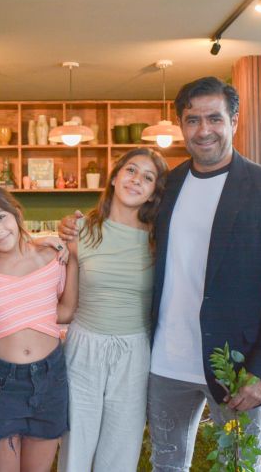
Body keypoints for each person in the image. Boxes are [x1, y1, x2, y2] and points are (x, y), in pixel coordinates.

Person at [145, 77, 261, 471]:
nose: (204, 130)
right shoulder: (166, 187)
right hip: (165, 363)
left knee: (238, 467)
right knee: (165, 466)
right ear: (181, 125)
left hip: (238, 368)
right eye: (193, 120)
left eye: (214, 118)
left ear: (234, 120)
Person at [56, 147, 169, 472]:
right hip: (84, 347)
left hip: (134, 351)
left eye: (148, 178)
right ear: (116, 176)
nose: (136, 180)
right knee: (75, 449)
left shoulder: (158, 240)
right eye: (131, 170)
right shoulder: (80, 230)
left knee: (120, 453)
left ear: (153, 193)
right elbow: (68, 305)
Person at [0, 185, 78, 472]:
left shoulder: (52, 258)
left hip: (51, 379)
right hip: (3, 382)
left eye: (1, 218)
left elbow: (64, 312)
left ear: (16, 213)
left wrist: (72, 258)